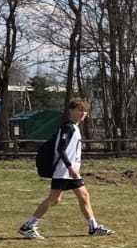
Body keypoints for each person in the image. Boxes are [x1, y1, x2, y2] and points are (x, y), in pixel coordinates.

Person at [18, 98, 115, 239]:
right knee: (54, 199)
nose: (83, 113)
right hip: (63, 171)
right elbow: (61, 149)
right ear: (71, 111)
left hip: (70, 172)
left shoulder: (74, 127)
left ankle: (93, 227)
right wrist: (70, 167)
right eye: (79, 110)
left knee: (84, 196)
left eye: (85, 111)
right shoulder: (68, 127)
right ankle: (28, 226)